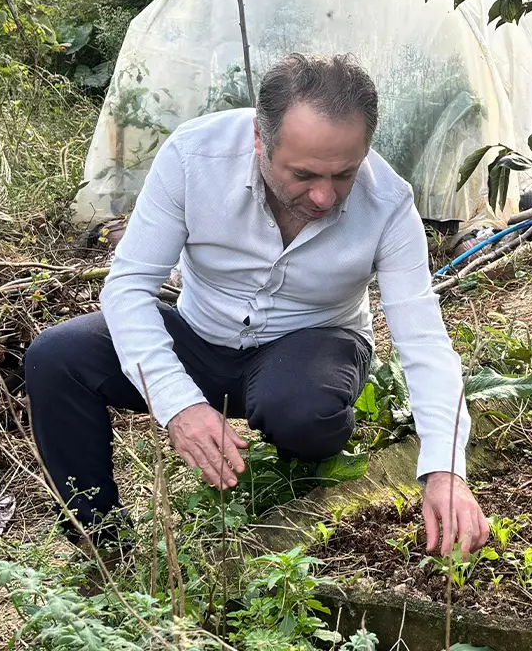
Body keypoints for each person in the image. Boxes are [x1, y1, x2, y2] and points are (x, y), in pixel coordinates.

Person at [25, 53, 489, 557]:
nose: (323, 197)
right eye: (304, 174)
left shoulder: (389, 204)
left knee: (302, 408)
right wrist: (178, 403)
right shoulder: (193, 157)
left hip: (312, 346)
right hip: (200, 334)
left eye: (344, 175)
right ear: (259, 139)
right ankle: (99, 541)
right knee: (57, 357)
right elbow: (128, 287)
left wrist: (445, 469)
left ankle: (299, 479)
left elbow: (423, 341)